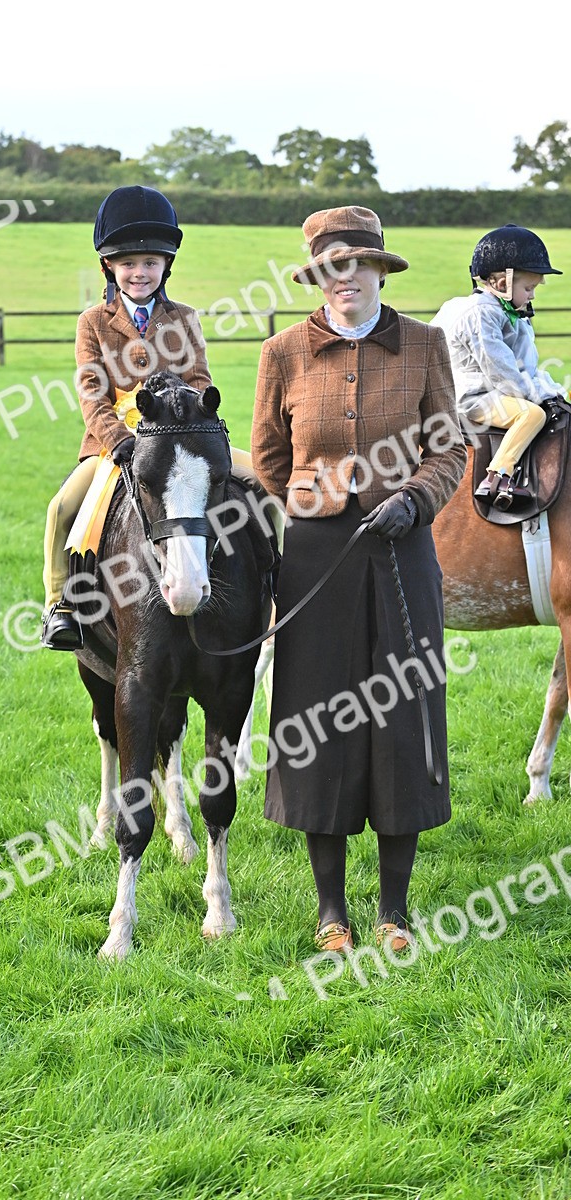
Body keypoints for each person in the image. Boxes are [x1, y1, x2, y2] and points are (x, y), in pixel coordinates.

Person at [251, 206, 466, 955]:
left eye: (357, 266)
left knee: (401, 723)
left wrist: (414, 499)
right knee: (319, 724)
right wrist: (315, 506)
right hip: (316, 559)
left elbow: (450, 450)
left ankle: (395, 912)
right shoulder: (281, 353)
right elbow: (271, 461)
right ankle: (331, 911)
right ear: (319, 278)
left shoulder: (424, 346)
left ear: (379, 270)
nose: (345, 281)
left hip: (403, 553)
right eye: (329, 270)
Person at [41, 185, 212, 649]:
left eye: (150, 263)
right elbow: (92, 392)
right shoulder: (93, 322)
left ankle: (271, 580)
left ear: (166, 267)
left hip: (178, 437)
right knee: (63, 509)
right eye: (129, 264)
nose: (140, 273)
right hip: (113, 443)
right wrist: (118, 439)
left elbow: (198, 377)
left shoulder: (185, 317)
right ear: (110, 268)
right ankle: (62, 605)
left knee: (258, 482)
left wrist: (197, 414)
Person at [431, 224, 564, 509]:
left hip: (490, 392)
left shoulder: (512, 315)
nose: (532, 295)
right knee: (531, 416)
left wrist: (552, 392)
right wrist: (538, 398)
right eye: (528, 288)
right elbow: (502, 372)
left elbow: (526, 366)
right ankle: (497, 476)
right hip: (470, 399)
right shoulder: (479, 315)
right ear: (502, 283)